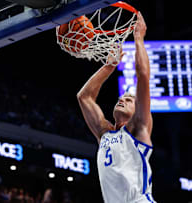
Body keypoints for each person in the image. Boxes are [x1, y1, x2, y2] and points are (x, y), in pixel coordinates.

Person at [77, 12, 156, 203]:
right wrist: (109, 66)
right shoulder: (104, 134)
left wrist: (138, 38)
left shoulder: (139, 127)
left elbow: (143, 75)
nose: (122, 99)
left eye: (129, 100)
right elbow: (84, 97)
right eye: (121, 98)